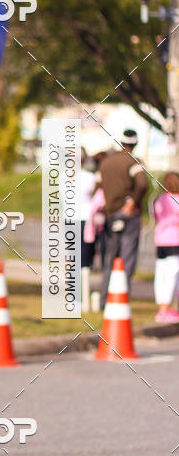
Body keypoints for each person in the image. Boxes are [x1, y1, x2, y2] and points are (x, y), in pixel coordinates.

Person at [96, 129, 148, 305]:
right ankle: (121, 300)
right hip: (128, 215)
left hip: (109, 214)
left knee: (109, 260)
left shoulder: (105, 162)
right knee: (127, 259)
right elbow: (142, 184)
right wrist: (132, 203)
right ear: (135, 144)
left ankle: (104, 300)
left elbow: (98, 187)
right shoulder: (133, 162)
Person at [153, 172, 179, 322]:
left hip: (160, 240)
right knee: (172, 274)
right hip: (174, 240)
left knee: (161, 275)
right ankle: (165, 309)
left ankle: (162, 308)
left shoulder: (160, 199)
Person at [80, 148, 96, 269]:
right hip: (85, 217)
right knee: (86, 252)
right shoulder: (90, 177)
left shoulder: (62, 177)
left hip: (69, 218)